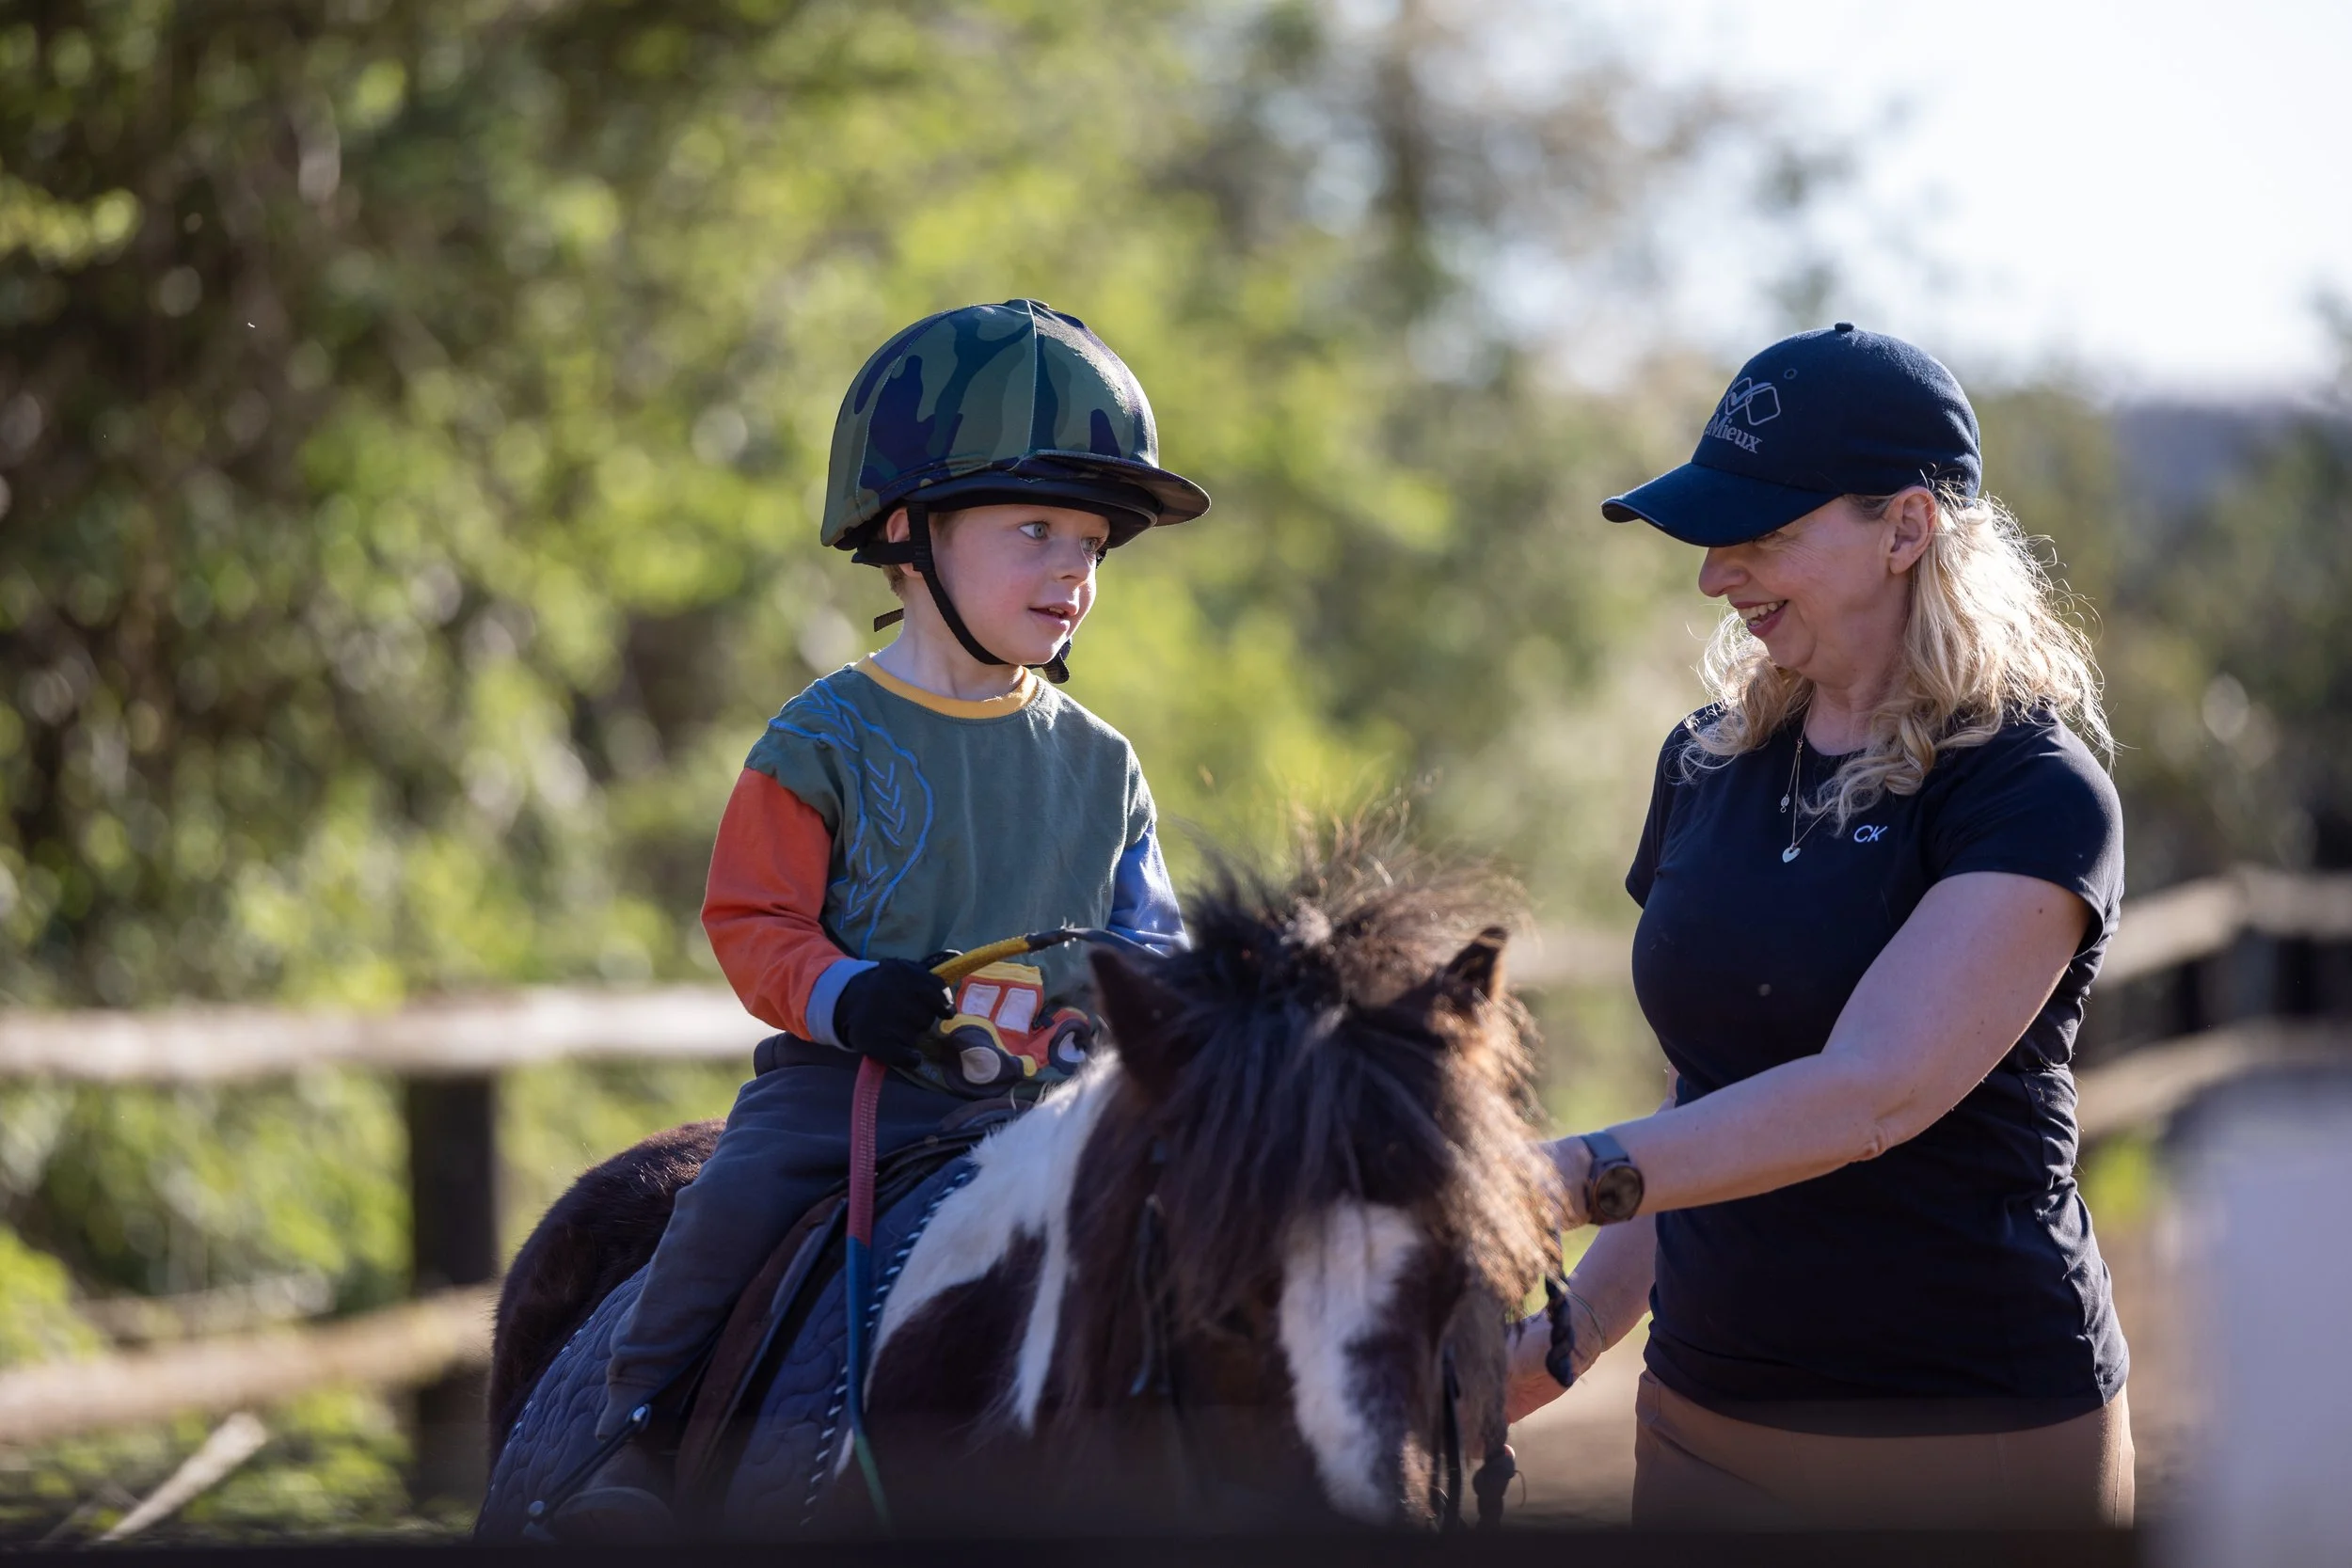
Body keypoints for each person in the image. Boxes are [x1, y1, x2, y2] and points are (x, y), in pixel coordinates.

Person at [559, 299, 1202, 1533]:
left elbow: (1151, 942)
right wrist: (848, 990)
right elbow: (753, 918)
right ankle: (629, 1446)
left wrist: (1158, 1022)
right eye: (1035, 530)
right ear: (907, 533)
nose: (1073, 569)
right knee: (725, 1204)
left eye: (1092, 544)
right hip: (855, 1087)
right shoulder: (820, 739)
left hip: (1050, 1107)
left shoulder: (1106, 762)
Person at [1509, 325, 2134, 1529]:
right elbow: (1708, 1101)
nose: (1713, 575)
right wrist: (1560, 1343)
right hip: (1700, 1422)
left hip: (1971, 1445)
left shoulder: (2033, 791)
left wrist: (1552, 1178)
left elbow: (1869, 1094)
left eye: (1763, 536)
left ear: (1907, 529)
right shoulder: (1704, 761)